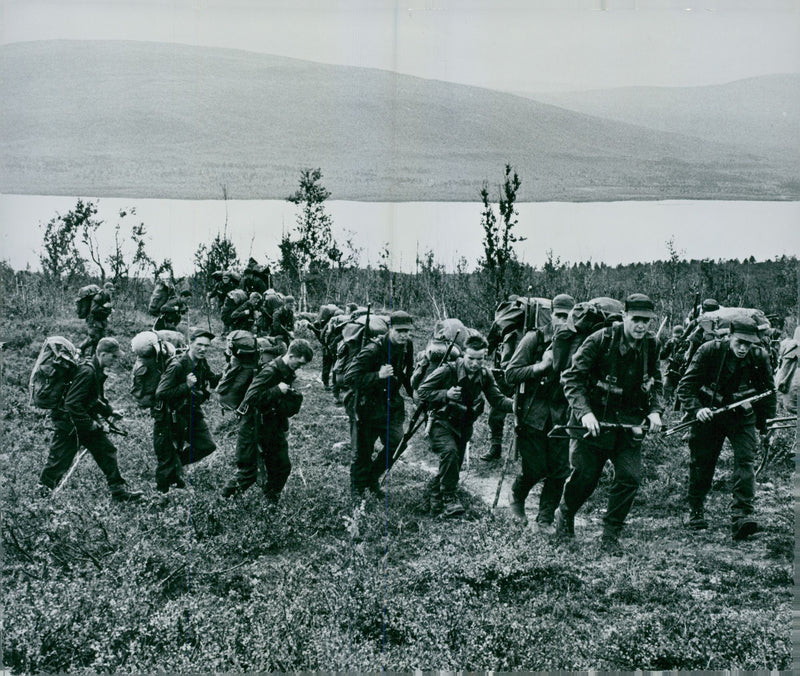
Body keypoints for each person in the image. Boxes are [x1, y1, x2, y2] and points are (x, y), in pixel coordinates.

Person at [555, 293, 664, 552]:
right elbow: (571, 378)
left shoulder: (651, 345)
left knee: (630, 477)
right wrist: (584, 413)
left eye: (646, 321)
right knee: (585, 478)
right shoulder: (601, 340)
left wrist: (655, 410)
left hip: (627, 426)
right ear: (625, 316)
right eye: (636, 319)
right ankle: (566, 514)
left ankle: (610, 535)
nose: (641, 326)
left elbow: (656, 381)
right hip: (593, 422)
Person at [676, 318, 776, 540]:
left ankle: (742, 515)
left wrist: (767, 424)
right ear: (729, 335)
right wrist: (696, 410)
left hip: (742, 416)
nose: (743, 348)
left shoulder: (759, 356)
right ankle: (696, 509)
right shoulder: (709, 351)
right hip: (709, 416)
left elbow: (768, 392)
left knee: (745, 460)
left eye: (748, 344)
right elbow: (685, 386)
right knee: (703, 461)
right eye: (739, 342)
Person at [417, 334, 513, 517]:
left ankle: (434, 496)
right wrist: (446, 394)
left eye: (480, 359)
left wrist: (515, 406)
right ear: (463, 356)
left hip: (463, 425)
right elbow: (422, 391)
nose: (475, 364)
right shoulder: (448, 370)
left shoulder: (485, 374)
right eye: (471, 359)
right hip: (441, 422)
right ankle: (449, 499)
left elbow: (497, 399)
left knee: (453, 464)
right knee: (450, 453)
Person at [39, 337, 143, 502]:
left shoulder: (95, 370)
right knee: (58, 462)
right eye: (113, 357)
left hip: (83, 423)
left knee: (107, 452)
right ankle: (40, 499)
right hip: (70, 425)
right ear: (102, 354)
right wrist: (92, 424)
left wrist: (109, 412)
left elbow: (93, 399)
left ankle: (119, 492)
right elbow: (72, 403)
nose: (116, 361)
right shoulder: (88, 372)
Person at [504, 293, 575, 529]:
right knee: (535, 469)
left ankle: (545, 516)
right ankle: (517, 497)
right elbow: (511, 374)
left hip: (562, 416)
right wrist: (541, 367)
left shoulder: (577, 342)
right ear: (551, 315)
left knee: (560, 471)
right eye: (559, 315)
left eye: (568, 316)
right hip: (533, 414)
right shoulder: (533, 339)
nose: (563, 321)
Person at [221, 339, 314, 502]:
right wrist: (277, 390)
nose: (300, 368)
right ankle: (222, 502)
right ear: (291, 355)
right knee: (248, 473)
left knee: (282, 467)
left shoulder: (287, 371)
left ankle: (270, 504)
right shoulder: (270, 371)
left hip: (272, 425)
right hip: (253, 425)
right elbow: (251, 397)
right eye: (299, 363)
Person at [344, 310, 415, 499]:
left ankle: (372, 478)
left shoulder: (407, 346)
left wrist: (413, 392)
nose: (404, 335)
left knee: (398, 443)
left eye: (407, 331)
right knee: (363, 451)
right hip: (365, 407)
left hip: (390, 406)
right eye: (400, 330)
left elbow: (407, 373)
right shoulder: (372, 350)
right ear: (390, 329)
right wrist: (378, 376)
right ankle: (358, 491)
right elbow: (350, 378)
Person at [153, 328, 220, 493]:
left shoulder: (201, 363)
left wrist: (229, 371)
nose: (203, 349)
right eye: (199, 345)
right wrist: (186, 386)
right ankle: (161, 494)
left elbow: (211, 379)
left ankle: (175, 466)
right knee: (167, 456)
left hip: (190, 412)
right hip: (170, 415)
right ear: (191, 344)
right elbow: (161, 393)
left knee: (207, 445)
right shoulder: (178, 365)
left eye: (206, 346)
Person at [79, 282, 115, 358]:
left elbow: (106, 308)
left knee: (100, 338)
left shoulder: (107, 297)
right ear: (106, 289)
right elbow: (93, 310)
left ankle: (93, 355)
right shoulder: (98, 297)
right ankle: (81, 348)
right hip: (93, 320)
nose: (111, 292)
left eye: (112, 290)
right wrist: (105, 307)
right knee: (93, 338)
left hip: (101, 320)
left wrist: (109, 309)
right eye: (110, 290)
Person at [659, 324, 685, 406]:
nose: (676, 339)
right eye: (675, 337)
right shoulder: (671, 342)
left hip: (684, 369)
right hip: (672, 368)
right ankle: (667, 405)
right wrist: (656, 347)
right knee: (666, 386)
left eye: (678, 337)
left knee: (682, 390)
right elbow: (663, 355)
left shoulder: (687, 343)